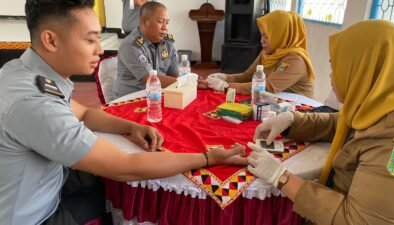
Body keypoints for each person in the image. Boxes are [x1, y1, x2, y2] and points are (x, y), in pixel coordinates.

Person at [0, 1, 247, 224]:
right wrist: (207, 158)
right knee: (134, 202)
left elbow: (84, 113)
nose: (100, 50)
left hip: (51, 180)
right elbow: (125, 165)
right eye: (90, 40)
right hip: (37, 214)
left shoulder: (20, 72)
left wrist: (131, 126)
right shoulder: (36, 103)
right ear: (51, 40)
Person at [247, 20, 394, 224]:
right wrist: (292, 120)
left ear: (361, 70)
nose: (330, 75)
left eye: (335, 66)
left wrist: (281, 177)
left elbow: (358, 220)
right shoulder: (378, 105)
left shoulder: (392, 144)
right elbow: (340, 122)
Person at [206, 10, 315, 99]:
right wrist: (224, 77)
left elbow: (267, 87)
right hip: (276, 103)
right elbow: (247, 76)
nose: (261, 41)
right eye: (261, 35)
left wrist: (224, 86)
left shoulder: (295, 59)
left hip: (299, 109)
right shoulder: (268, 53)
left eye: (266, 36)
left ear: (280, 35)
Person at [110, 1, 179, 101]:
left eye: (167, 22)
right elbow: (149, 79)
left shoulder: (168, 43)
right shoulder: (130, 45)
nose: (165, 27)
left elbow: (174, 75)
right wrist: (185, 83)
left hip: (156, 97)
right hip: (128, 101)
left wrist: (188, 82)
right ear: (144, 22)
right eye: (160, 22)